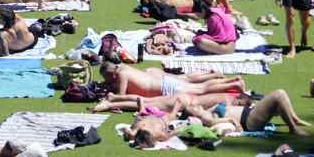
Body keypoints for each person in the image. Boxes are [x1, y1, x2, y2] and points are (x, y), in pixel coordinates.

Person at [181, 90, 312, 137]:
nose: (194, 105)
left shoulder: (207, 110)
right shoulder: (205, 116)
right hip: (249, 121)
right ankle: (293, 128)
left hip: (250, 114)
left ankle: (294, 119)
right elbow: (212, 122)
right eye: (191, 107)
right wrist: (231, 121)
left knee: (279, 98)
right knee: (279, 95)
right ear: (192, 115)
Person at [100, 61, 246, 98]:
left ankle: (234, 83)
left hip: (164, 88)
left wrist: (110, 94)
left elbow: (121, 96)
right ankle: (233, 81)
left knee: (201, 90)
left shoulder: (121, 75)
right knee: (198, 87)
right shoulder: (123, 68)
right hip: (163, 84)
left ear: (111, 74)